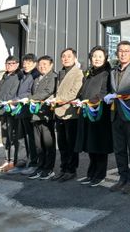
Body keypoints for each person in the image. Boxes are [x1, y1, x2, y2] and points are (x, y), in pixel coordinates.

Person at [104, 40, 130, 194]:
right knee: (119, 148)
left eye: (126, 51)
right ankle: (122, 178)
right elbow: (111, 89)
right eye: (120, 51)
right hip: (115, 114)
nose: (123, 54)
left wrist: (116, 95)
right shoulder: (113, 71)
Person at [75, 46, 113, 187]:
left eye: (100, 56)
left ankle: (100, 175)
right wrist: (80, 99)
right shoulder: (89, 73)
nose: (97, 59)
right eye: (94, 56)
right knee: (90, 144)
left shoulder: (107, 73)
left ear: (105, 58)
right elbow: (83, 91)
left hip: (100, 114)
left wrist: (91, 101)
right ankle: (91, 173)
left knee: (99, 145)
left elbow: (105, 92)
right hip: (87, 112)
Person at [52, 48, 84, 182]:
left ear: (75, 58)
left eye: (69, 56)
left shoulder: (78, 73)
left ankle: (71, 170)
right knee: (62, 144)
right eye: (63, 56)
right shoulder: (61, 73)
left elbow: (75, 92)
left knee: (71, 144)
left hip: (70, 113)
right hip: (58, 112)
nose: (65, 58)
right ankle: (63, 168)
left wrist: (59, 100)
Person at [27, 55, 58, 180]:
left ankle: (48, 168)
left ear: (51, 65)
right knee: (38, 144)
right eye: (40, 64)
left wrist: (29, 99)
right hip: (35, 115)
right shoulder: (36, 78)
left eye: (45, 64)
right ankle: (40, 167)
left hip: (46, 114)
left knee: (48, 144)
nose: (42, 66)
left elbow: (47, 92)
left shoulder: (53, 77)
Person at [12, 54, 39, 175]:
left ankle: (34, 163)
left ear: (34, 63)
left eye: (28, 63)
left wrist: (19, 98)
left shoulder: (35, 75)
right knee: (21, 138)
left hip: (29, 110)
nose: (25, 65)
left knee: (31, 139)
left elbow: (32, 93)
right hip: (20, 110)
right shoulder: (22, 75)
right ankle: (21, 163)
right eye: (24, 63)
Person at [0, 56, 22, 172]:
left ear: (17, 64)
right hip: (2, 109)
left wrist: (3, 101)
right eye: (7, 63)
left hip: (12, 109)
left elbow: (13, 93)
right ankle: (7, 158)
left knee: (13, 136)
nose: (9, 66)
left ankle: (13, 160)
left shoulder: (18, 76)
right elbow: (0, 92)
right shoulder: (4, 76)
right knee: (5, 136)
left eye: (12, 63)